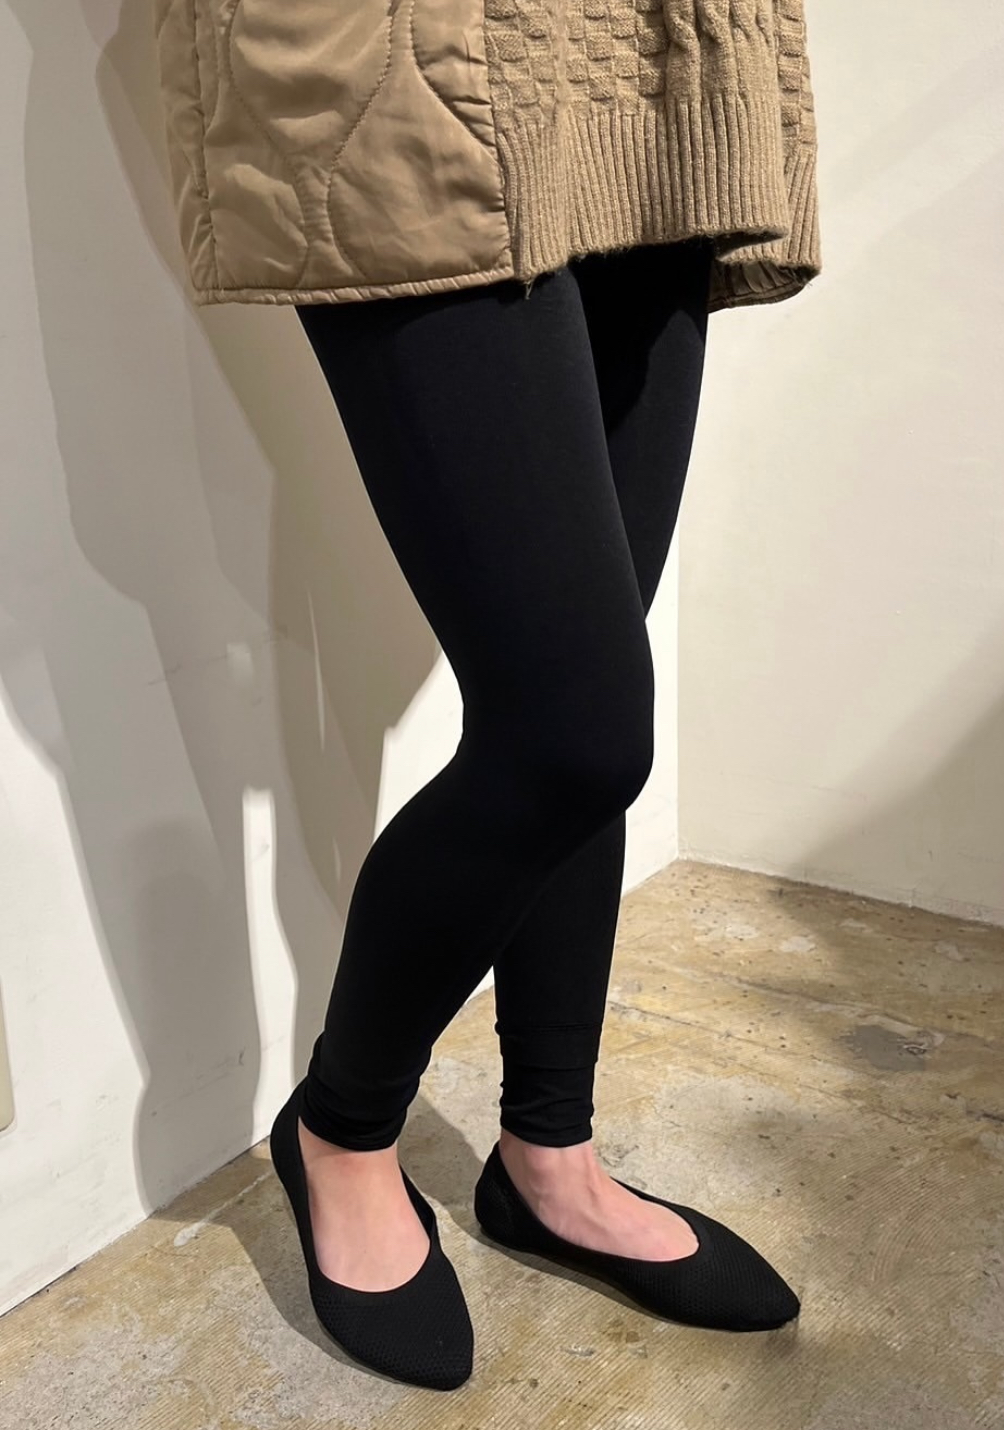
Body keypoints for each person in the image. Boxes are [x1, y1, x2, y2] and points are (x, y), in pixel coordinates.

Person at [153, 0, 821, 1393]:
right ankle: (341, 1127)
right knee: (574, 731)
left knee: (587, 688)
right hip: (410, 63)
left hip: (644, 61)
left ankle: (548, 1152)